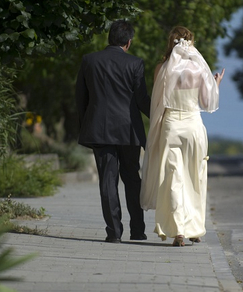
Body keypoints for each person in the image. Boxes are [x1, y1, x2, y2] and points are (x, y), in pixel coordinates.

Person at [140, 26, 224, 247]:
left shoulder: (162, 69)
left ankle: (177, 230)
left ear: (171, 43)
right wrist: (215, 85)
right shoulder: (198, 70)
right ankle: (194, 228)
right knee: (195, 178)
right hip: (194, 127)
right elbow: (207, 104)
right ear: (191, 44)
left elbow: (157, 104)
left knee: (173, 178)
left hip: (171, 126)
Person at [75, 20, 150, 243]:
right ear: (129, 42)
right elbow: (141, 100)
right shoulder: (135, 63)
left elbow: (81, 97)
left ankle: (114, 233)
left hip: (99, 129)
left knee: (107, 181)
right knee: (132, 179)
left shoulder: (89, 60)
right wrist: (158, 118)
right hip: (128, 131)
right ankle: (137, 230)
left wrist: (85, 124)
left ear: (109, 39)